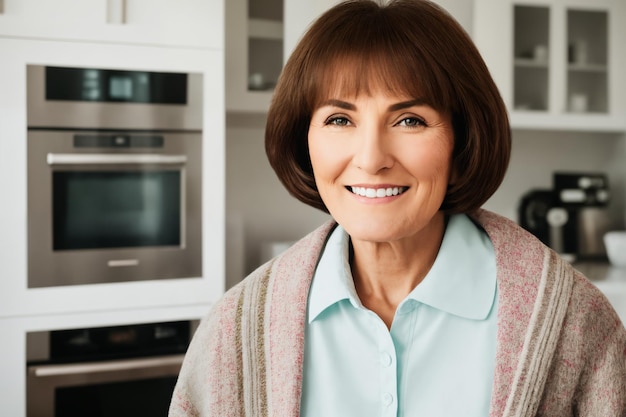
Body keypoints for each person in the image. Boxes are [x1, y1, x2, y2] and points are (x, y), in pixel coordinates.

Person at [169, 0, 626, 416]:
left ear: (461, 139)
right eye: (339, 119)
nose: (371, 158)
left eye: (409, 120)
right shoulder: (234, 329)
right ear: (302, 139)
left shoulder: (576, 320)